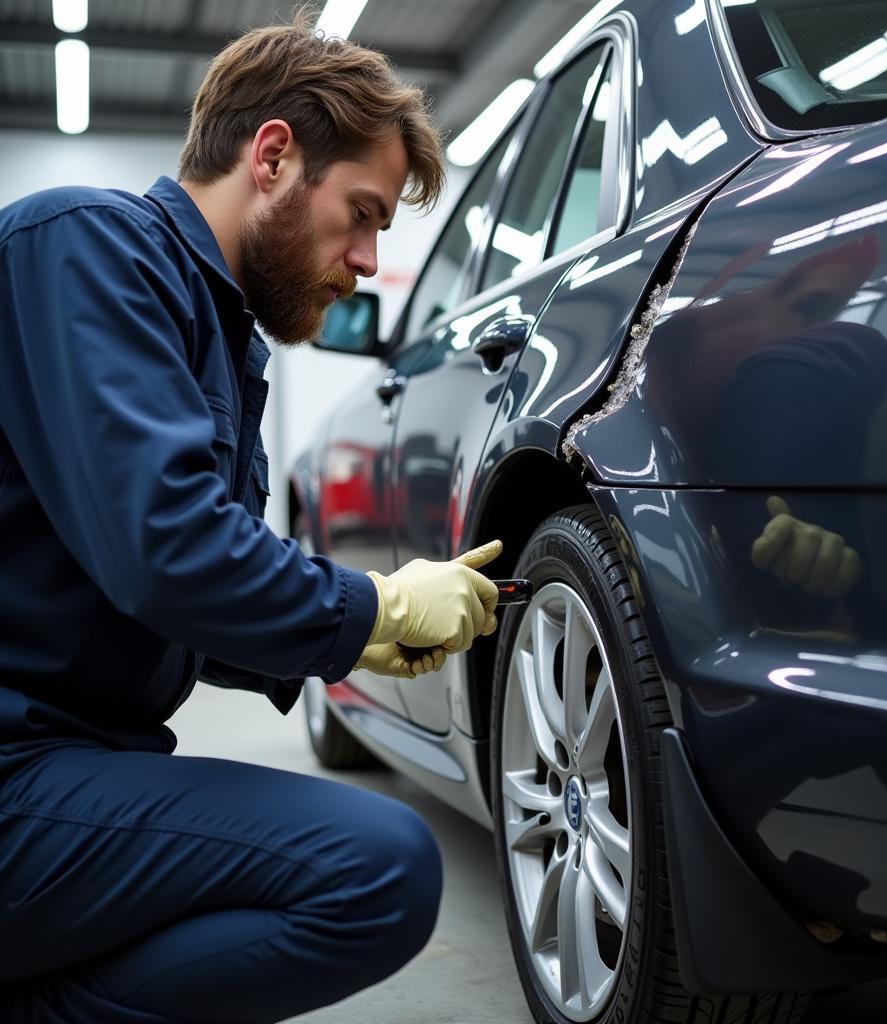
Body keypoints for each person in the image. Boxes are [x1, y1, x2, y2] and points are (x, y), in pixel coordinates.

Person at [0, 12, 501, 1022]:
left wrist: (334, 644)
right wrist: (371, 608)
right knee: (378, 869)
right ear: (273, 157)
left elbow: (163, 588)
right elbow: (166, 553)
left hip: (74, 764)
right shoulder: (85, 248)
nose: (366, 260)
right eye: (360, 212)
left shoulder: (229, 342)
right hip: (17, 771)